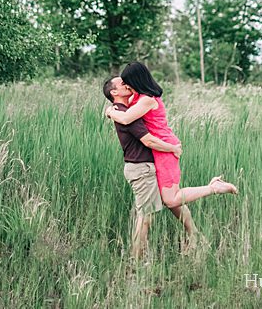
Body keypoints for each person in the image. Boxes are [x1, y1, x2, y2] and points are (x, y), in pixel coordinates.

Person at [105, 63, 239, 213]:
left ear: (135, 80)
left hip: (164, 146)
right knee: (167, 197)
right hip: (157, 147)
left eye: (127, 82)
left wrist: (109, 112)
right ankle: (193, 233)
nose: (127, 86)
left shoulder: (147, 99)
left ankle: (214, 188)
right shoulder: (136, 97)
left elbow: (126, 119)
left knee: (171, 199)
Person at [102, 75, 196, 257]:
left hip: (144, 166)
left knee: (171, 203)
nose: (127, 84)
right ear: (115, 92)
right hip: (141, 169)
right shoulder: (126, 116)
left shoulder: (123, 109)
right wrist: (172, 148)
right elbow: (149, 140)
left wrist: (108, 111)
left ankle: (193, 236)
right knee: (145, 217)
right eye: (123, 84)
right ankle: (136, 260)